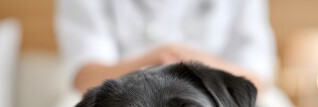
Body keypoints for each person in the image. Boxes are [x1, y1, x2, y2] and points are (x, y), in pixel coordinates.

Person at [55, 0, 277, 94]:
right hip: (116, 100)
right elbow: (86, 79)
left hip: (223, 96)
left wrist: (189, 62)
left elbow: (255, 79)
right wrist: (158, 59)